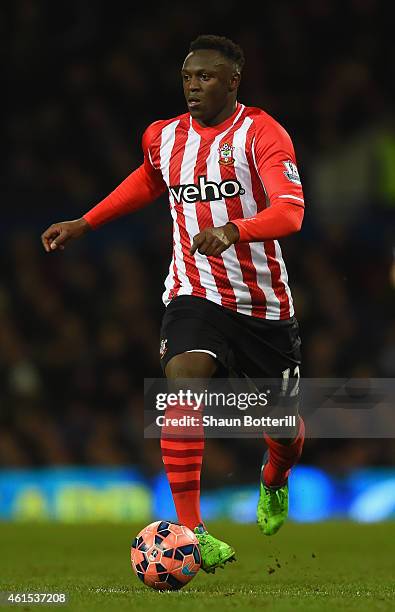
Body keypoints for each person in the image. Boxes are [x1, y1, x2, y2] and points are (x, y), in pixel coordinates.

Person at [41, 34, 306, 574]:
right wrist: (85, 222)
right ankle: (194, 529)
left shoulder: (263, 133)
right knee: (182, 382)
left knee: (284, 429)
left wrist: (234, 229)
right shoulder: (163, 137)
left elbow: (291, 213)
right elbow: (146, 180)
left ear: (233, 82)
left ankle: (274, 477)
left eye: (206, 77)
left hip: (263, 306)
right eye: (187, 77)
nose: (193, 86)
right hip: (193, 291)